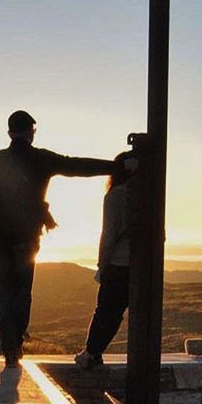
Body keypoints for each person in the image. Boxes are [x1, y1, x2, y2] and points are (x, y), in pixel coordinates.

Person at [0, 110, 117, 369]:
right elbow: (77, 166)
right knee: (23, 292)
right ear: (32, 132)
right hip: (27, 240)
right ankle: (16, 342)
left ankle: (10, 349)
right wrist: (116, 167)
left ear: (9, 133)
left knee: (3, 292)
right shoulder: (41, 159)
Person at [75, 151, 137, 369]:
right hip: (142, 267)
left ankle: (91, 353)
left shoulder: (115, 196)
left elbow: (109, 235)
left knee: (106, 310)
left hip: (118, 263)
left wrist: (102, 264)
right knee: (118, 312)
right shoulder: (149, 196)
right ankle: (94, 352)